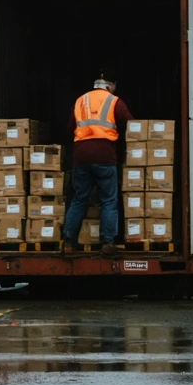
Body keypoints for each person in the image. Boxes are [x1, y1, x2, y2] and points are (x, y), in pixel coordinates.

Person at [63, 67, 134, 255]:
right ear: (112, 85)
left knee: (79, 199)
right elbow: (132, 125)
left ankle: (69, 242)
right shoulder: (114, 101)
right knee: (109, 200)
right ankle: (107, 243)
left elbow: (70, 127)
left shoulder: (80, 100)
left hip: (81, 156)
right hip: (104, 156)